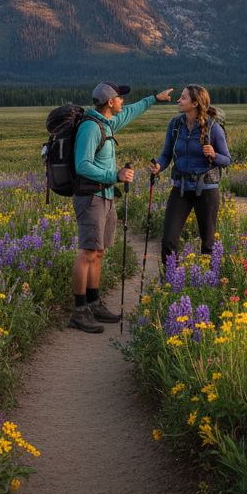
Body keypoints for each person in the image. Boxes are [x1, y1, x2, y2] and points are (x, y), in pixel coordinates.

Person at [69, 81, 173, 333]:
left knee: (99, 251)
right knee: (87, 252)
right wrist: (115, 175)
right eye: (120, 98)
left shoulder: (107, 122)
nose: (123, 102)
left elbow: (131, 111)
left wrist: (153, 99)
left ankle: (94, 303)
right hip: (90, 197)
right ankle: (79, 311)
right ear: (109, 102)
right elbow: (81, 165)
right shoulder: (91, 128)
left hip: (105, 196)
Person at [149, 85, 231, 273]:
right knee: (168, 240)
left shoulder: (213, 127)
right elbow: (166, 154)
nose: (179, 100)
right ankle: (171, 282)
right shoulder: (175, 125)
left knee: (208, 241)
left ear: (195, 103)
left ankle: (207, 282)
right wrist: (158, 167)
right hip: (181, 188)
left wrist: (214, 155)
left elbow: (226, 159)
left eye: (183, 98)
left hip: (207, 189)